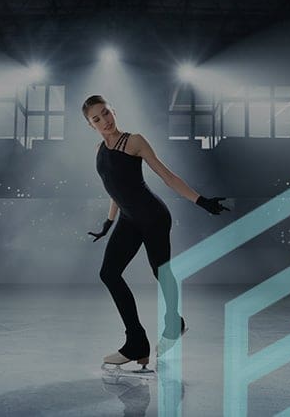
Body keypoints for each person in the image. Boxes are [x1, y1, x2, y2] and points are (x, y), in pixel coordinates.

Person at [82, 94, 229, 370]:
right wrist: (108, 222)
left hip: (153, 217)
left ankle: (174, 324)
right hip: (128, 218)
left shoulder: (134, 141)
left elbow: (168, 176)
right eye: (97, 119)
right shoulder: (99, 150)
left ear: (113, 110)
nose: (105, 121)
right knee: (108, 274)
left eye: (106, 113)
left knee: (161, 271)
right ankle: (136, 342)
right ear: (91, 125)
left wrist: (202, 201)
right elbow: (115, 189)